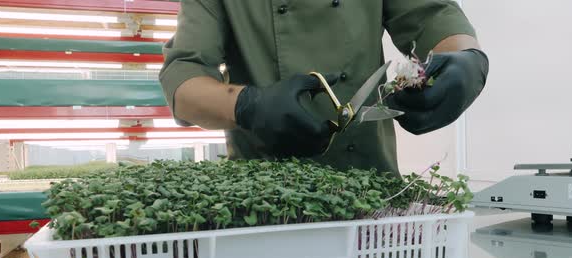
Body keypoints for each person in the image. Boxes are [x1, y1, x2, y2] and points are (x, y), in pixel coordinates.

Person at [159, 0, 489, 174]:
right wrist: (247, 104)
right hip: (264, 202)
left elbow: (434, 16)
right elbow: (183, 77)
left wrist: (465, 61)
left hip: (371, 191)